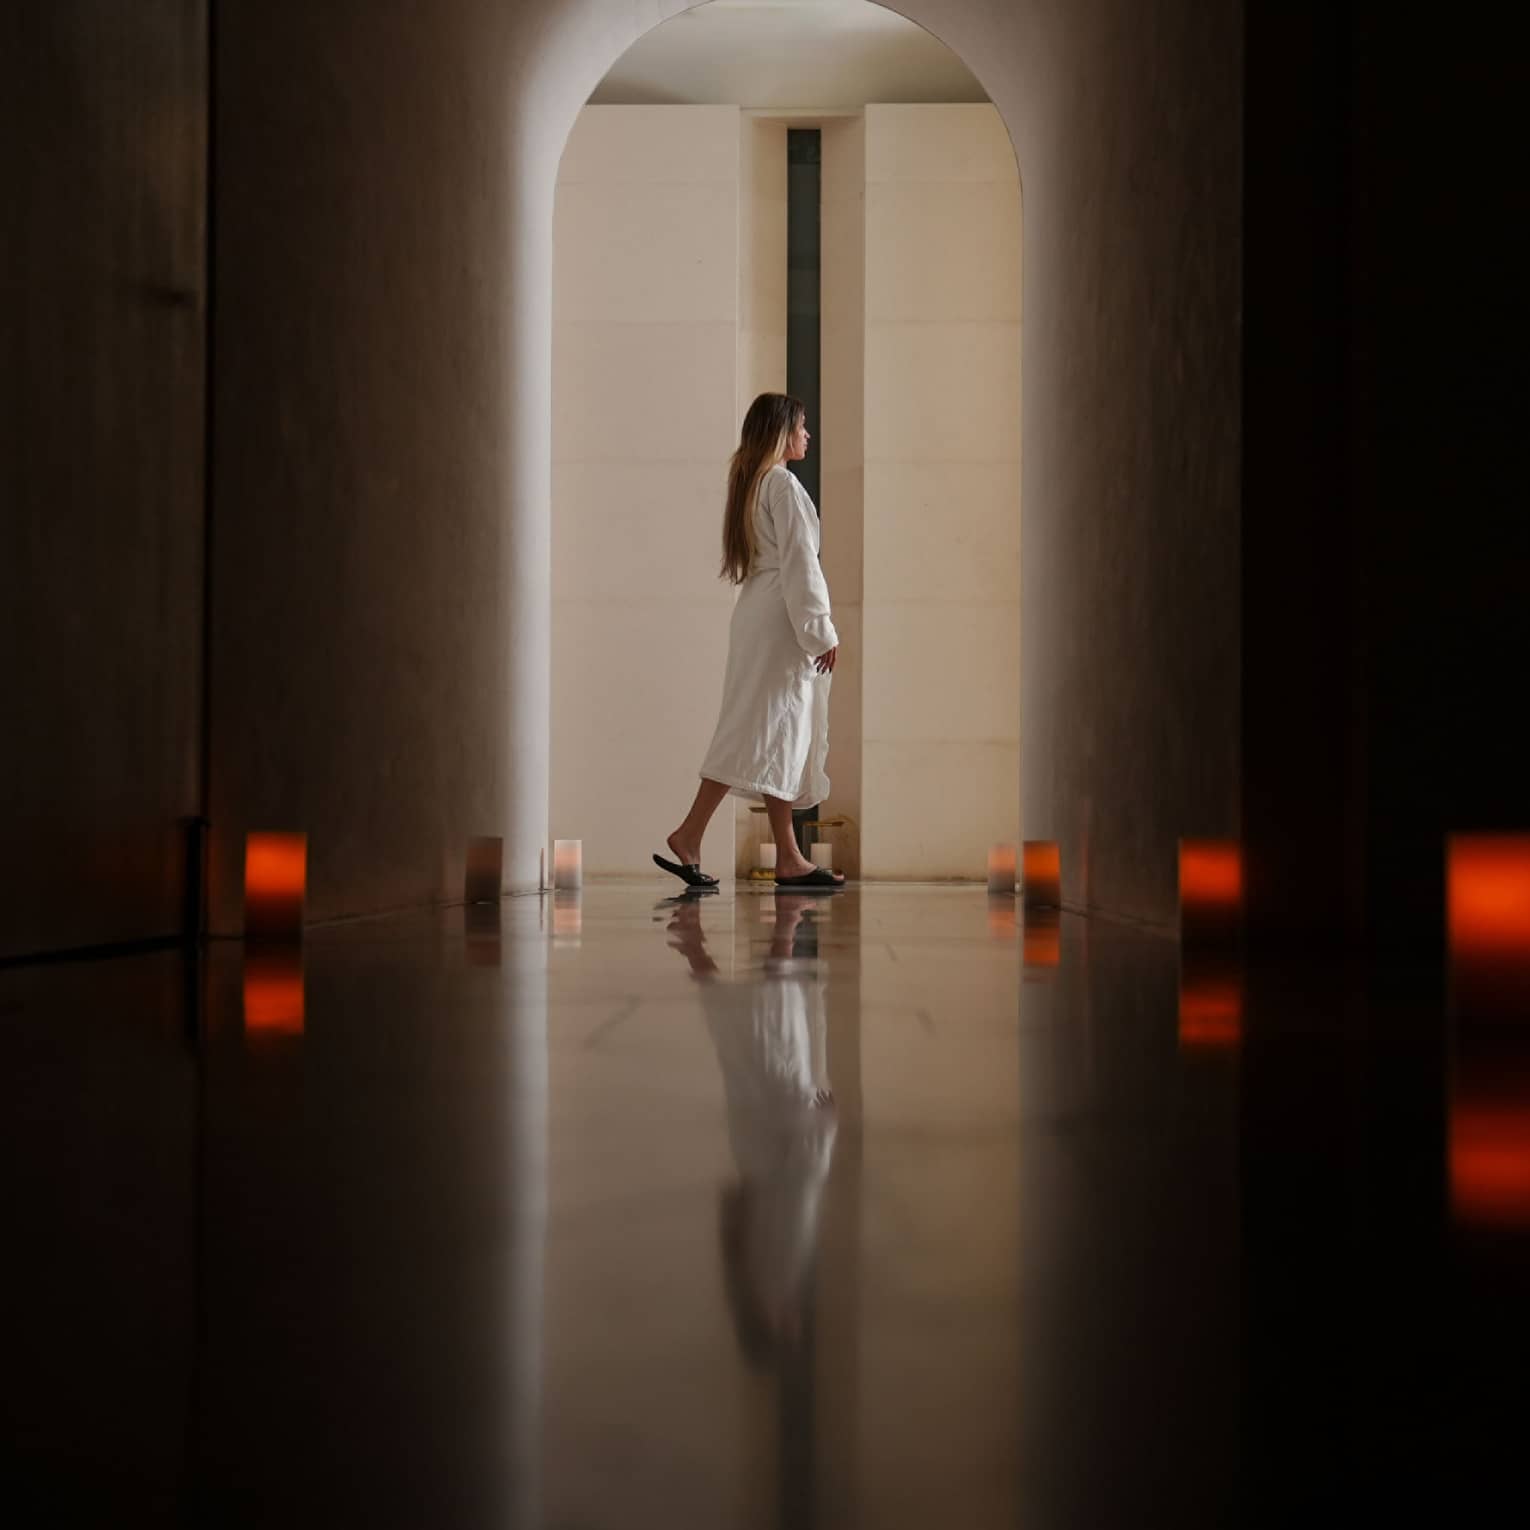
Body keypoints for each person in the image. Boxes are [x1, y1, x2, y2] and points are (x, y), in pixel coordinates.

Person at [654, 393, 847, 891]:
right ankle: (696, 834)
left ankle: (783, 854)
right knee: (762, 728)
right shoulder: (781, 485)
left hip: (759, 613)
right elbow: (802, 563)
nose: (808, 436)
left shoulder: (753, 483)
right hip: (782, 615)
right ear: (783, 432)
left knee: (770, 729)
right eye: (802, 427)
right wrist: (821, 629)